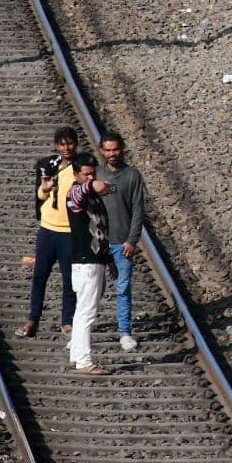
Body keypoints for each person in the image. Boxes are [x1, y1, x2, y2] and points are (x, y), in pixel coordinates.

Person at [16, 127, 78, 338]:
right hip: (48, 228)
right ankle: (33, 318)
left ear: (76, 145)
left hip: (69, 231)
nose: (66, 148)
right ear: (56, 145)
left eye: (70, 143)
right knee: (40, 274)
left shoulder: (82, 167)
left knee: (69, 277)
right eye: (62, 144)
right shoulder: (47, 166)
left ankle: (67, 320)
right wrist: (45, 188)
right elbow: (40, 196)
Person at [65, 153, 117, 374]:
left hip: (93, 260)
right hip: (86, 262)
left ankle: (76, 355)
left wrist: (109, 259)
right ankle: (85, 361)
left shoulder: (93, 198)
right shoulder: (75, 194)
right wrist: (92, 184)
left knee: (82, 311)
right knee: (87, 312)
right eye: (86, 174)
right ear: (76, 174)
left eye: (93, 173)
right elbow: (79, 192)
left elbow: (100, 231)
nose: (91, 177)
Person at [96, 132, 146, 352]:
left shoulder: (132, 176)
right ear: (101, 151)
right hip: (97, 243)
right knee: (93, 288)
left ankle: (125, 332)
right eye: (107, 150)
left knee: (123, 288)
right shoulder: (95, 174)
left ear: (122, 149)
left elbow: (138, 209)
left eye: (115, 149)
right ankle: (82, 332)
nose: (111, 154)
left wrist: (131, 240)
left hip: (121, 243)